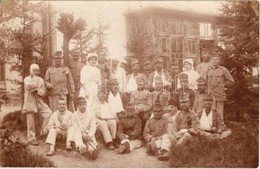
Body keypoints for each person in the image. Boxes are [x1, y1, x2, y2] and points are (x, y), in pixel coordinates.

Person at [157, 94, 200, 161]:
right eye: (182, 102)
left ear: (189, 103)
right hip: (179, 138)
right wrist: (178, 137)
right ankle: (166, 152)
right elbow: (175, 128)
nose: (184, 104)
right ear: (179, 104)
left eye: (185, 102)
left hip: (191, 138)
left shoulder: (194, 115)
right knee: (166, 136)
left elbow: (196, 129)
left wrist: (187, 130)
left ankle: (172, 152)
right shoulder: (178, 115)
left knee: (186, 135)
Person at [22, 64, 52, 146]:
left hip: (39, 101)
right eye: (34, 70)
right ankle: (32, 138)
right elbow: (30, 86)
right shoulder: (26, 79)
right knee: (30, 121)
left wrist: (37, 91)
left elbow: (44, 92)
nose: (36, 72)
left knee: (48, 113)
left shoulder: (41, 80)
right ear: (31, 70)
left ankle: (43, 132)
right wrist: (35, 87)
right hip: (30, 102)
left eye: (37, 70)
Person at [203, 54, 235, 119]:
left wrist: (223, 85)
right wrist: (206, 91)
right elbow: (204, 82)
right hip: (210, 95)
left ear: (219, 61)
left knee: (220, 112)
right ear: (210, 61)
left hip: (220, 94)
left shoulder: (223, 70)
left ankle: (220, 126)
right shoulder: (208, 70)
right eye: (213, 59)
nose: (214, 61)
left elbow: (231, 81)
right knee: (210, 112)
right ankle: (211, 127)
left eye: (216, 59)